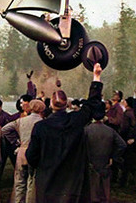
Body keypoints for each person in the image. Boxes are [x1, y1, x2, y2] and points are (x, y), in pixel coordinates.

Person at [26, 63, 105, 202]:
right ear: (67, 104)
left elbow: (32, 156)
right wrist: (96, 76)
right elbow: (92, 104)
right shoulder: (76, 121)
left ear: (50, 104)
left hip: (48, 182)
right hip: (73, 183)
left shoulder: (40, 127)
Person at [2, 97, 45, 203]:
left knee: (19, 182)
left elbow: (4, 130)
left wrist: (16, 142)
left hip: (22, 152)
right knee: (32, 182)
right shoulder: (43, 123)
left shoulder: (21, 121)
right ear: (41, 109)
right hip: (36, 153)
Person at [84, 101, 127, 202]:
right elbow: (122, 145)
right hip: (106, 162)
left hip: (90, 163)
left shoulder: (86, 130)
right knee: (105, 188)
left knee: (92, 189)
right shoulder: (110, 130)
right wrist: (113, 157)